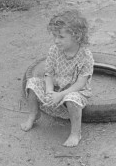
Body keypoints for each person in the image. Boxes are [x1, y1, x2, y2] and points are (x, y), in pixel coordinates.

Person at [21, 10, 94, 147]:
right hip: (56, 88)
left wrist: (60, 95)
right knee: (31, 83)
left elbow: (80, 83)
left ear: (76, 36)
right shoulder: (54, 50)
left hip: (75, 91)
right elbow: (48, 73)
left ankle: (75, 133)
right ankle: (33, 115)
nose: (56, 41)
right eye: (54, 36)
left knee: (72, 98)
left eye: (61, 37)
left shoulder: (85, 55)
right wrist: (49, 91)